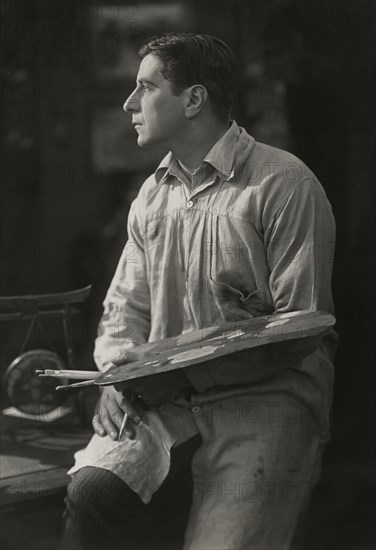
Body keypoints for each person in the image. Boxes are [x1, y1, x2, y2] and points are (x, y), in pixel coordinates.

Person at [60, 33, 337, 550]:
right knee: (92, 489)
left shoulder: (283, 184)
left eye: (146, 87)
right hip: (168, 398)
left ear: (193, 99)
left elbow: (301, 328)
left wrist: (184, 371)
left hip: (267, 398)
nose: (129, 103)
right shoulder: (152, 195)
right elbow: (126, 307)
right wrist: (115, 376)